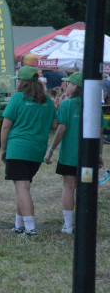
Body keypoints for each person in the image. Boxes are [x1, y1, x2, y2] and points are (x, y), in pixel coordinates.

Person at [0, 66, 56, 236]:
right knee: (22, 186)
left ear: (21, 82)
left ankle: (31, 229)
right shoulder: (47, 101)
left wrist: (3, 149)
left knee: (22, 188)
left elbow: (5, 126)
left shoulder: (17, 98)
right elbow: (54, 125)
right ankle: (19, 224)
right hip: (36, 151)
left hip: (17, 149)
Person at [45, 72, 96, 234]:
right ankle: (85, 224)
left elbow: (61, 129)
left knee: (68, 187)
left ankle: (68, 225)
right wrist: (99, 155)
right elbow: (99, 131)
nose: (66, 86)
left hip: (69, 156)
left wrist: (51, 150)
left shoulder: (67, 105)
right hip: (89, 157)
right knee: (86, 189)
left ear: (76, 86)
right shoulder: (93, 105)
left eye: (69, 83)